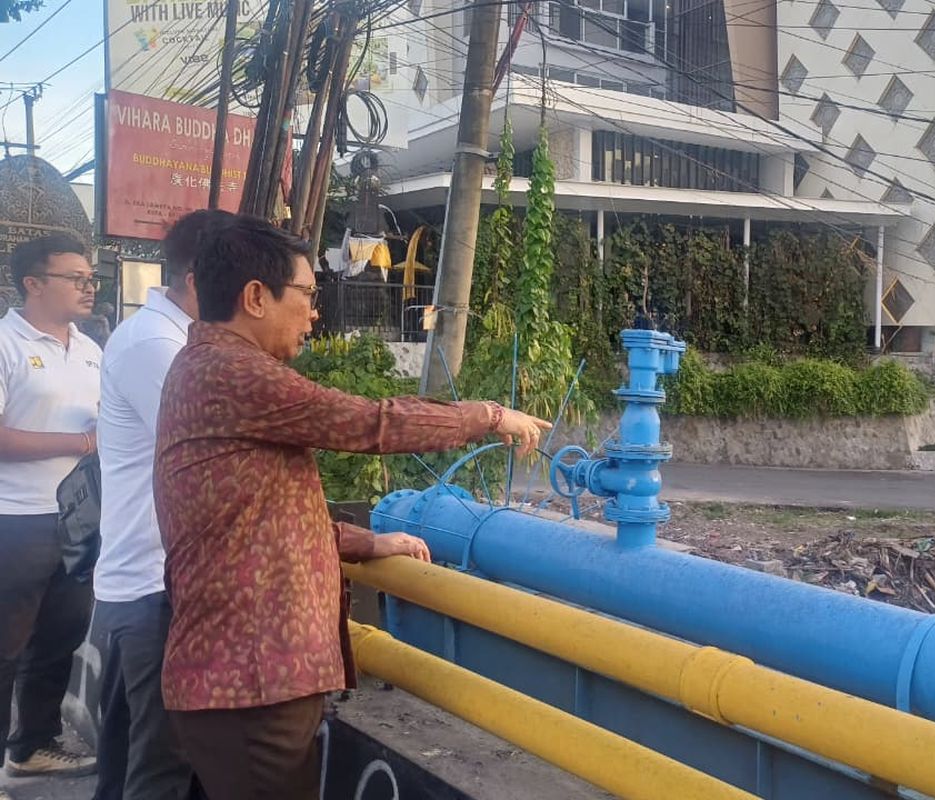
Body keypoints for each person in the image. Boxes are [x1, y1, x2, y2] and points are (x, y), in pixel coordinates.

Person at [154, 214, 551, 800]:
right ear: (256, 297)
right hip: (253, 684)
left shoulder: (211, 370)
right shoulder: (233, 372)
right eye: (309, 293)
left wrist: (368, 542)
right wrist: (486, 417)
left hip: (244, 683)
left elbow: (255, 520)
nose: (315, 312)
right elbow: (367, 421)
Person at [92, 211, 235, 800]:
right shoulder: (160, 346)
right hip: (155, 587)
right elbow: (221, 455)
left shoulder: (171, 340)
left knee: (135, 760)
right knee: (162, 769)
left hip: (148, 584)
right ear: (202, 279)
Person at [0, 233, 102, 780]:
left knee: (59, 638)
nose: (88, 287)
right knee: (4, 648)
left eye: (90, 278)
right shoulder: (6, 344)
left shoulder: (90, 349)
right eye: (75, 278)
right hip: (14, 520)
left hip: (78, 522)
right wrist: (82, 443)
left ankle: (30, 746)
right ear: (33, 284)